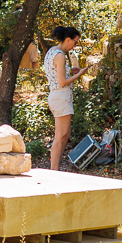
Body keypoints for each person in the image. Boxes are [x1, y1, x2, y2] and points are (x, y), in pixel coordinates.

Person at [44, 26, 88, 171]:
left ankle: (55, 169)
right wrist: (79, 74)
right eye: (75, 42)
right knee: (60, 136)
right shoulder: (60, 55)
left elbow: (57, 73)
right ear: (68, 39)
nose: (74, 46)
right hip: (60, 97)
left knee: (65, 134)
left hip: (58, 96)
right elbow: (62, 82)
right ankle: (54, 170)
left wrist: (70, 70)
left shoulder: (52, 51)